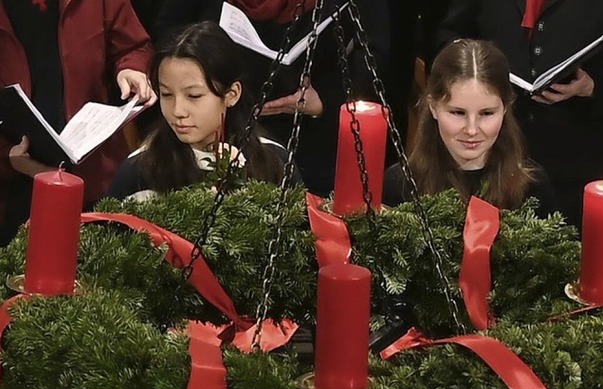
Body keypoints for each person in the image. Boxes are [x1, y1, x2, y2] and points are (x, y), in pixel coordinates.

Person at [432, 0, 603, 228]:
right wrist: (474, 72)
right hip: (498, 165)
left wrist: (593, 87)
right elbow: (448, 37)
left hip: (586, 166)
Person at [152, 0, 389, 198]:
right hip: (223, 124)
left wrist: (324, 99)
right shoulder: (145, 166)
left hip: (312, 132)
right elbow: (170, 32)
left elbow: (373, 53)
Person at [0, 0, 156, 246]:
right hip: (15, 188)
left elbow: (133, 47)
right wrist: (8, 156)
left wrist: (130, 69)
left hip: (95, 170)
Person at [105, 21, 299, 202]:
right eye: (166, 94)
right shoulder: (140, 170)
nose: (178, 111)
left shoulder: (273, 162)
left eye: (194, 96)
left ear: (232, 94)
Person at [383, 39, 557, 218]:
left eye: (487, 113)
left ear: (505, 108)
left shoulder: (533, 187)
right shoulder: (399, 186)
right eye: (458, 113)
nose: (472, 130)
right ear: (433, 107)